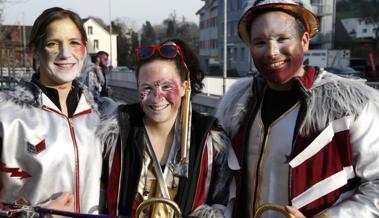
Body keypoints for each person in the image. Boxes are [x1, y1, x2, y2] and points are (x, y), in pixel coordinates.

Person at [216, 0, 379, 217]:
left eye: (283, 39)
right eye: (260, 42)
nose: (272, 52)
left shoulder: (351, 105)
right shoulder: (237, 105)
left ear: (304, 41)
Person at [103, 38, 238, 218]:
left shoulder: (210, 142)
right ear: (137, 88)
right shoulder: (115, 137)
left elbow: (221, 202)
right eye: (147, 88)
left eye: (166, 87)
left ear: (184, 87)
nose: (157, 98)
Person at [0, 7, 106, 215]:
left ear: (84, 49)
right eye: (52, 44)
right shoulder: (5, 114)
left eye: (74, 43)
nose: (65, 54)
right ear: (34, 51)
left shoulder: (105, 114)